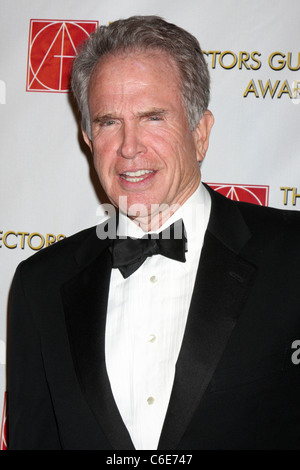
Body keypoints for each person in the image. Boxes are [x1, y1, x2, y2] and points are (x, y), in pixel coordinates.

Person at [7, 15, 300, 450]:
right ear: (88, 138)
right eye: (109, 122)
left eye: (153, 118)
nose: (129, 146)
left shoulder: (292, 255)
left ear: (200, 134)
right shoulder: (39, 285)